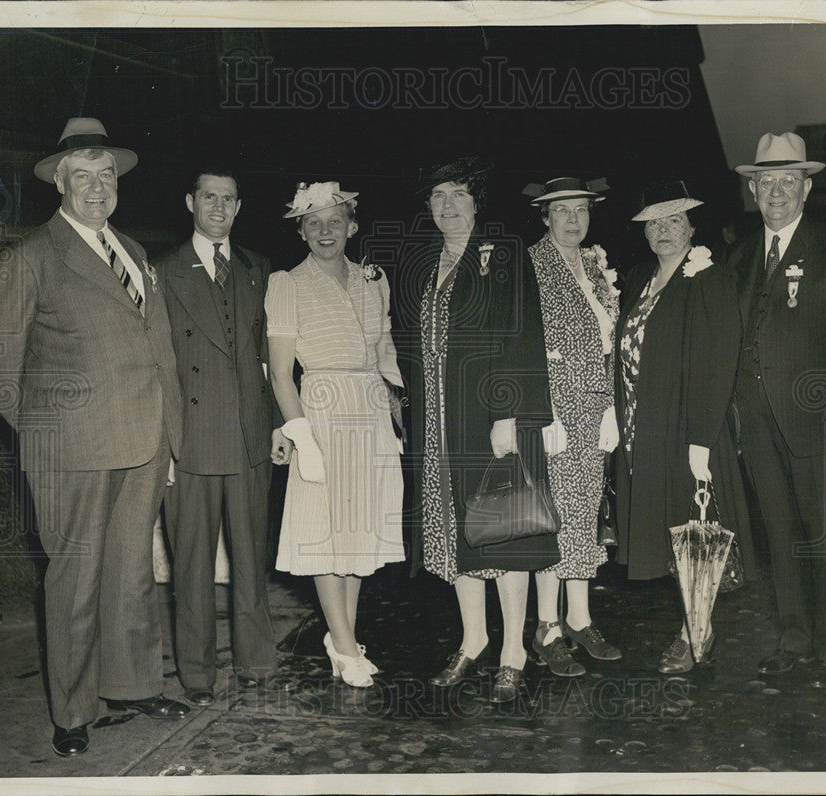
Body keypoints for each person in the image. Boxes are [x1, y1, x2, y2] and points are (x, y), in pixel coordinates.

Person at [0, 118, 189, 758]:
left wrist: (170, 439)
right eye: (83, 177)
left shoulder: (134, 251)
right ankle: (72, 711)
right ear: (60, 183)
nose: (97, 188)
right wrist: (48, 436)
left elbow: (158, 350)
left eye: (106, 176)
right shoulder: (31, 257)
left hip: (143, 442)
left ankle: (131, 688)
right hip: (71, 450)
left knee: (132, 574)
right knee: (74, 580)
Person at [394, 157, 560, 703]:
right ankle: (473, 639)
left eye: (458, 193)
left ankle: (513, 649)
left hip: (489, 419)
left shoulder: (504, 253)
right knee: (453, 530)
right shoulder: (424, 263)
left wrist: (511, 416)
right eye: (438, 195)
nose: (448, 205)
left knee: (503, 527)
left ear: (476, 200)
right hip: (438, 423)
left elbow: (524, 334)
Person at [730, 132, 826, 688]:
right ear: (753, 189)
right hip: (758, 423)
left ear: (808, 187)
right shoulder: (740, 254)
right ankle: (794, 639)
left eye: (787, 181)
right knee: (780, 535)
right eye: (766, 181)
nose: (776, 191)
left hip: (823, 423)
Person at [157, 168, 290, 706]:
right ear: (190, 201)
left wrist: (281, 423)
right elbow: (157, 365)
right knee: (189, 565)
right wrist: (163, 441)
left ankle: (257, 660)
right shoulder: (162, 271)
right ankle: (197, 675)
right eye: (208, 197)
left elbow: (275, 359)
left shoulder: (260, 269)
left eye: (228, 199)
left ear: (239, 207)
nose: (218, 207)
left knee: (250, 558)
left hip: (250, 437)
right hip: (189, 441)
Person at [266, 182, 406, 687]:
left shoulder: (373, 278)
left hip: (370, 412)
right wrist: (302, 436)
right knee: (326, 530)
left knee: (358, 531)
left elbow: (384, 349)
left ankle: (341, 635)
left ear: (352, 225)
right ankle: (344, 646)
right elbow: (281, 372)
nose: (325, 231)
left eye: (335, 221)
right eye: (313, 223)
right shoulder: (287, 283)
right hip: (321, 411)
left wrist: (396, 411)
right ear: (301, 231)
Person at [615, 180, 755, 674]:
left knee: (695, 530)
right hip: (646, 428)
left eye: (674, 221)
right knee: (672, 534)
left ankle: (696, 631)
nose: (663, 231)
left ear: (692, 227)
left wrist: (702, 438)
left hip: (691, 430)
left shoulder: (709, 278)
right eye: (654, 223)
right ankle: (694, 625)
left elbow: (721, 360)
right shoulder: (639, 278)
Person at [521, 177, 623, 677]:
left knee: (584, 514)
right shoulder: (531, 265)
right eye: (562, 211)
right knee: (554, 518)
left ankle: (580, 618)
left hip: (593, 408)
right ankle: (546, 626)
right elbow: (526, 347)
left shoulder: (593, 264)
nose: (573, 219)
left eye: (581, 210)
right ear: (545, 217)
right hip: (556, 411)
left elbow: (607, 343)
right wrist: (545, 414)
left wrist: (609, 408)